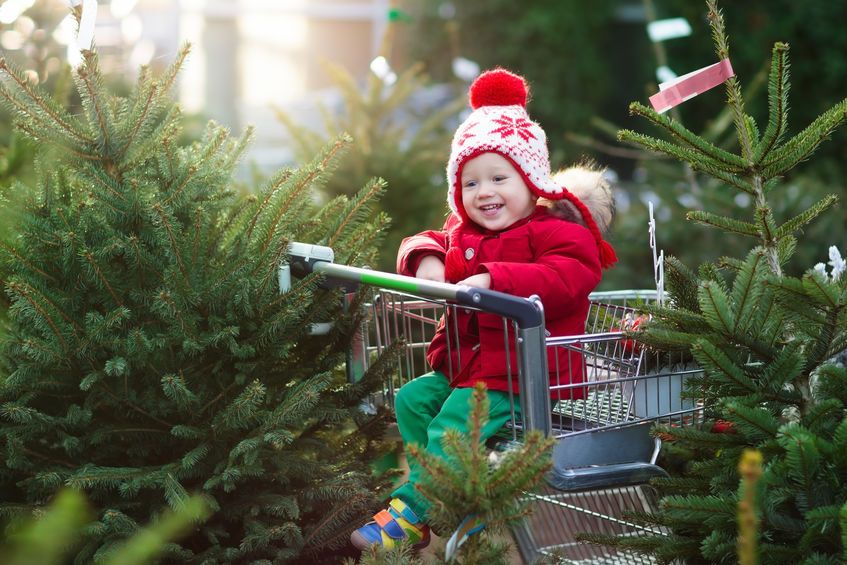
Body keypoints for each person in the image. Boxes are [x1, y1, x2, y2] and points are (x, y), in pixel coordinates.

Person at [350, 68, 617, 551]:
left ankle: (411, 512)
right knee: (414, 399)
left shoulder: (555, 233)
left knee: (455, 422)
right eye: (470, 183)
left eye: (499, 178)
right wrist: (426, 257)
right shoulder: (464, 233)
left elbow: (568, 276)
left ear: (531, 182)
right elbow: (430, 237)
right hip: (468, 367)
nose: (485, 192)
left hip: (520, 374)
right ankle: (457, 494)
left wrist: (497, 278)